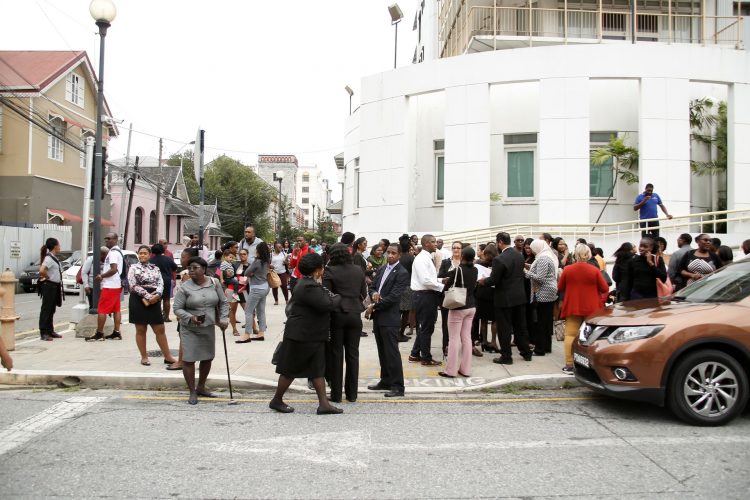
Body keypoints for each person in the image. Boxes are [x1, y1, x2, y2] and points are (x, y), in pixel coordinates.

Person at [270, 253, 343, 414]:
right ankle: (276, 400)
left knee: (317, 369)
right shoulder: (308, 286)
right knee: (290, 369)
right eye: (321, 268)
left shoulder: (308, 283)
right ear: (317, 270)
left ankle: (324, 404)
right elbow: (327, 304)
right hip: (301, 335)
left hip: (312, 335)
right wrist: (338, 297)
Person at [172, 256, 229, 405]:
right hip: (190, 328)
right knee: (189, 359)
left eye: (195, 267)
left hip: (208, 326)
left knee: (207, 357)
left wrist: (223, 319)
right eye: (189, 268)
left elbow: (223, 302)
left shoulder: (214, 283)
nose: (191, 271)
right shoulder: (184, 287)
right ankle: (192, 391)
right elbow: (177, 309)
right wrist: (190, 317)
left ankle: (201, 387)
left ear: (204, 269)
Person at [478, 232, 532, 365]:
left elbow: (494, 280)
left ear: (500, 242)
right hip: (519, 297)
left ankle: (506, 356)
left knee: (504, 328)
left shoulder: (499, 259)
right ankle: (526, 352)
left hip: (504, 298)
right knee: (520, 326)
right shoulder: (519, 256)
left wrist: (483, 281)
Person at [323, 243, 367, 403]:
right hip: (355, 314)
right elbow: (363, 293)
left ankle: (336, 395)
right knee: (353, 355)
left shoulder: (330, 270)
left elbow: (327, 295)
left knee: (336, 354)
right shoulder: (358, 270)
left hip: (337, 314)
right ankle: (352, 394)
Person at [558, 244, 609, 373]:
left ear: (575, 254)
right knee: (591, 336)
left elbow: (560, 287)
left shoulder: (568, 269)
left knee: (570, 335)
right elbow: (604, 288)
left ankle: (569, 365)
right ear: (588, 255)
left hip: (573, 306)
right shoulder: (594, 270)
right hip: (591, 308)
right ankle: (591, 364)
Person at [366, 244, 409, 397]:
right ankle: (385, 380)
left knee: (392, 353)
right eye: (388, 253)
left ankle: (398, 386)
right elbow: (372, 287)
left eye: (393, 253)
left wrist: (374, 306)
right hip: (379, 317)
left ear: (399, 255)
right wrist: (374, 294)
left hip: (390, 318)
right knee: (382, 351)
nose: (390, 255)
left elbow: (394, 297)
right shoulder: (383, 269)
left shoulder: (402, 273)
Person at [129, 245, 177, 366]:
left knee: (160, 328)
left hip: (155, 298)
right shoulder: (133, 268)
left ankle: (168, 356)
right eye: (140, 253)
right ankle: (144, 357)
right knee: (141, 329)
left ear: (150, 255)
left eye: (145, 253)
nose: (142, 255)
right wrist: (148, 296)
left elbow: (160, 282)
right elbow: (132, 285)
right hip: (138, 299)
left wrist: (158, 294)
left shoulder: (155, 268)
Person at [439, 247, 478, 378]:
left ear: (462, 256)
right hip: (471, 306)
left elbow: (447, 285)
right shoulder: (475, 269)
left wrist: (445, 281)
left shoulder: (458, 270)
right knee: (467, 338)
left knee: (454, 339)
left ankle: (451, 370)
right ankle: (466, 370)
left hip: (458, 306)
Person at [408, 234, 445, 366]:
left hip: (426, 295)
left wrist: (440, 280)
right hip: (425, 296)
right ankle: (426, 358)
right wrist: (442, 285)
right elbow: (425, 280)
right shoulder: (421, 259)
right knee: (426, 328)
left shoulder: (426, 258)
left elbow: (429, 278)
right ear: (426, 244)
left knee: (425, 327)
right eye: (433, 242)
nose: (436, 244)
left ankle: (415, 353)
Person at [166, 247, 200, 371]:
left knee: (183, 336)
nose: (181, 259)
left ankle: (181, 361)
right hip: (195, 310)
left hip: (187, 310)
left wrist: (180, 312)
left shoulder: (187, 273)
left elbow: (186, 293)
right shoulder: (199, 271)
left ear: (190, 259)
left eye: (183, 257)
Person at [86, 232, 123, 342]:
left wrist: (101, 276)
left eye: (109, 239)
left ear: (115, 240)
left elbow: (113, 269)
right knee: (116, 309)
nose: (107, 240)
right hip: (116, 284)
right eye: (106, 238)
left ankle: (99, 333)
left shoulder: (112, 253)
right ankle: (116, 332)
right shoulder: (118, 252)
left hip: (110, 285)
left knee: (101, 309)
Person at [525, 239, 559, 356]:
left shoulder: (543, 259)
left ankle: (540, 349)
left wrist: (525, 272)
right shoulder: (547, 256)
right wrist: (528, 266)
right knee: (547, 321)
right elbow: (540, 270)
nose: (532, 251)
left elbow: (540, 277)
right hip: (550, 292)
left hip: (543, 292)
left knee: (541, 322)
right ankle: (547, 346)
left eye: (533, 248)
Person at [237, 241, 271, 343]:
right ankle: (261, 333)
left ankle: (247, 334)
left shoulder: (257, 262)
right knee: (261, 310)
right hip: (265, 287)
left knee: (248, 311)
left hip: (256, 288)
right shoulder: (267, 261)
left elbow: (246, 272)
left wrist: (252, 274)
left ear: (259, 251)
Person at [438, 241, 463, 358]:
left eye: (458, 248)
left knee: (461, 324)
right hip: (447, 296)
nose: (456, 250)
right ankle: (446, 347)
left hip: (461, 296)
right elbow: (440, 276)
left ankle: (459, 347)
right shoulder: (446, 262)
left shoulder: (465, 263)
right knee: (446, 323)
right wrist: (451, 275)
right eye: (454, 248)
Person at [474, 243, 499, 353]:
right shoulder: (498, 263)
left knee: (483, 319)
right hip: (493, 293)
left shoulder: (479, 263)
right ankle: (493, 342)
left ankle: (484, 341)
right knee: (494, 319)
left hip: (481, 292)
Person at [38, 237, 63, 341]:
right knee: (46, 309)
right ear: (55, 246)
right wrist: (47, 277)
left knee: (52, 309)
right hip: (49, 286)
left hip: (54, 286)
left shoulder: (53, 257)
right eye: (59, 245)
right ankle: (43, 332)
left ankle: (50, 330)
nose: (60, 247)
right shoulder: (49, 258)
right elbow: (42, 270)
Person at [150, 243, 178, 322]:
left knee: (157, 299)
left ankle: (157, 316)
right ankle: (166, 317)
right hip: (166, 280)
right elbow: (174, 267)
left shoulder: (151, 260)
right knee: (166, 299)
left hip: (155, 281)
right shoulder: (168, 258)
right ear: (163, 250)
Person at [397, 234, 416, 340]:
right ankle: (401, 333)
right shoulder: (411, 258)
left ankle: (396, 332)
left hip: (396, 286)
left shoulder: (397, 258)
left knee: (397, 311)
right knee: (405, 313)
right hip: (408, 287)